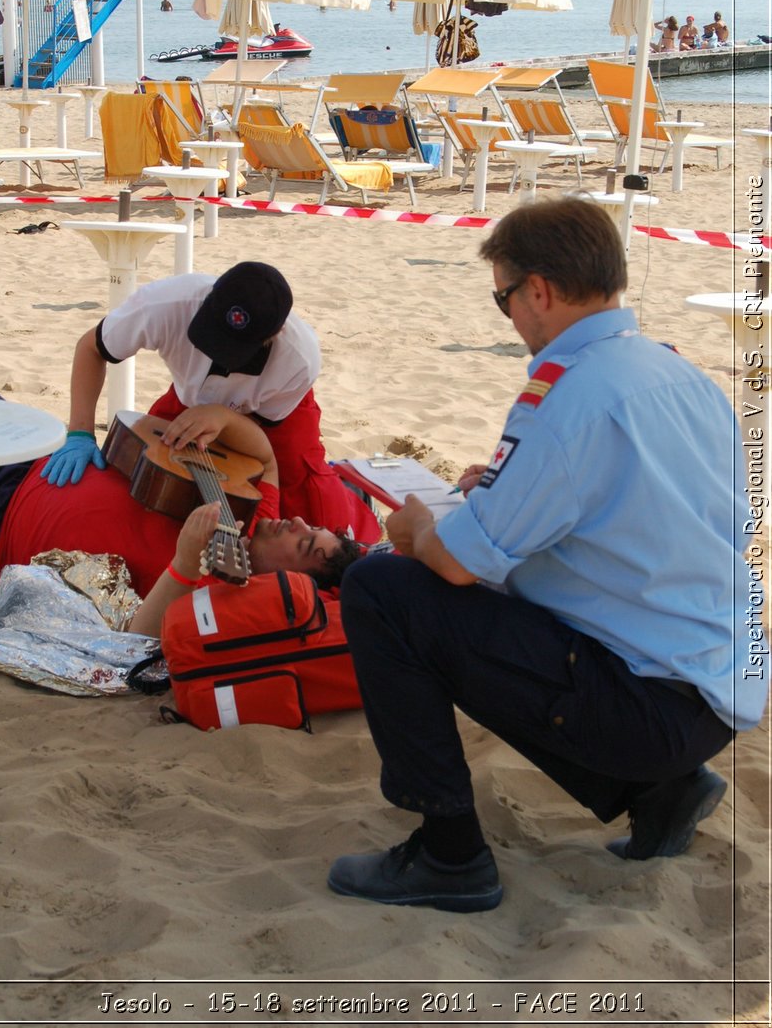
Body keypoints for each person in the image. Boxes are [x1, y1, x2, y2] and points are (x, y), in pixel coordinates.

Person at [327, 197, 767, 914]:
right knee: (502, 609)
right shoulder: (681, 375)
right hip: (716, 691)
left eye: (503, 299)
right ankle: (662, 793)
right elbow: (706, 519)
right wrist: (500, 491)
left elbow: (457, 566)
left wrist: (412, 530)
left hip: (645, 705)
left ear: (539, 291)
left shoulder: (566, 394)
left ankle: (448, 853)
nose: (511, 318)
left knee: (384, 588)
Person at [39, 261, 380, 544]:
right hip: (190, 399)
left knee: (306, 514)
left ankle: (352, 494)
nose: (216, 355)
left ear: (273, 336)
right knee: (151, 483)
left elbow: (260, 451)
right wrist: (80, 434)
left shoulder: (299, 360)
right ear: (208, 299)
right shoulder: (165, 304)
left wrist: (224, 420)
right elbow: (91, 348)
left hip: (269, 416)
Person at [0, 379, 361, 601]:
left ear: (290, 583)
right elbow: (267, 457)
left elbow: (142, 635)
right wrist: (221, 418)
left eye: (305, 544)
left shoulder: (216, 597)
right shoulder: (257, 509)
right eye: (310, 526)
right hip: (35, 455)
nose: (296, 522)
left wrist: (185, 561)